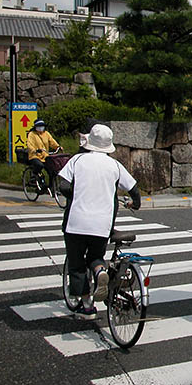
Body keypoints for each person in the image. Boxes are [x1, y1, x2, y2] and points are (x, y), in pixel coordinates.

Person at [58, 124, 141, 320]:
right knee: (96, 256)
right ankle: (99, 271)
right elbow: (134, 189)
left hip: (76, 223)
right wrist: (135, 204)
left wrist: (77, 195)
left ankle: (87, 306)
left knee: (77, 265)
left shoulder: (77, 160)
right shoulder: (114, 165)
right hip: (102, 224)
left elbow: (62, 185)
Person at [26, 119, 62, 192]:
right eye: (39, 126)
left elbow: (52, 142)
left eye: (42, 126)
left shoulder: (46, 134)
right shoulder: (32, 134)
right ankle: (34, 175)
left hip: (45, 155)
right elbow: (29, 144)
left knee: (52, 170)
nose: (41, 128)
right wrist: (34, 150)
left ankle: (51, 187)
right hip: (35, 155)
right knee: (39, 165)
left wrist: (58, 147)